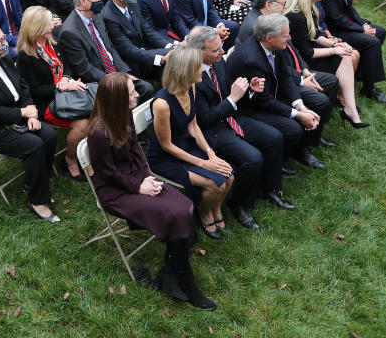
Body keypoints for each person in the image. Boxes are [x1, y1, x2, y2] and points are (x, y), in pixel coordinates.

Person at [86, 72, 214, 309]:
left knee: (185, 206)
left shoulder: (123, 116)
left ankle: (170, 271)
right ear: (117, 99)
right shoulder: (99, 134)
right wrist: (138, 186)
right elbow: (106, 175)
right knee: (176, 215)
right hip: (115, 192)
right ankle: (186, 282)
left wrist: (147, 177)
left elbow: (136, 150)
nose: (137, 93)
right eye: (131, 92)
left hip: (137, 179)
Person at [184, 26, 288, 228]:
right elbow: (205, 119)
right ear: (198, 52)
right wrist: (233, 98)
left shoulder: (217, 61)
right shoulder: (190, 75)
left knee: (274, 137)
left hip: (231, 118)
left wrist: (249, 89)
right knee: (252, 158)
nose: (222, 52)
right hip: (211, 131)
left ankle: (270, 189)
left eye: (221, 48)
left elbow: (228, 89)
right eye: (216, 50)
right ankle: (239, 204)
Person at [0, 21, 59, 220]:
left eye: (4, 38)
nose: (5, 43)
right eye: (0, 40)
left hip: (17, 114)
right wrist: (23, 113)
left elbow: (23, 86)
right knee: (34, 145)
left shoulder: (3, 58)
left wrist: (31, 113)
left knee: (48, 135)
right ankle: (37, 200)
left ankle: (34, 182)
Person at [147, 46, 234, 239]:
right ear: (185, 71)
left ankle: (215, 208)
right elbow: (166, 145)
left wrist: (211, 153)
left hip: (187, 146)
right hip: (166, 158)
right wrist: (204, 163)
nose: (202, 69)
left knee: (229, 176)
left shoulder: (191, 87)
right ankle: (203, 212)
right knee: (216, 184)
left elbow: (193, 126)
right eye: (197, 67)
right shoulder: (162, 104)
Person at [226, 13, 321, 184]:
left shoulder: (274, 47)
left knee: (308, 111)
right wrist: (299, 115)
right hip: (247, 109)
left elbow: (284, 78)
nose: (289, 38)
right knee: (292, 128)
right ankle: (272, 170)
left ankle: (284, 157)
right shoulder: (251, 60)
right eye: (285, 36)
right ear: (269, 37)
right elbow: (264, 101)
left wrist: (302, 108)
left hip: (266, 99)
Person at [14, 6, 89, 179]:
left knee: (96, 111)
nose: (52, 26)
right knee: (82, 123)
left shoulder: (51, 42)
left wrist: (66, 79)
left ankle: (87, 153)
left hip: (64, 91)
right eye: (48, 24)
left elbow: (68, 66)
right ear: (36, 27)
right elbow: (33, 90)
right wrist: (60, 86)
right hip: (45, 101)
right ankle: (70, 161)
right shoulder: (26, 55)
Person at [285, 0, 367, 128]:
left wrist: (335, 45)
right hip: (301, 63)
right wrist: (334, 51)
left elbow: (315, 35)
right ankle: (348, 108)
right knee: (343, 57)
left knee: (347, 55)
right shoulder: (296, 16)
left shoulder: (309, 8)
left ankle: (349, 107)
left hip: (309, 54)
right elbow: (306, 53)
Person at [58, 0, 153, 102]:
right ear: (83, 1)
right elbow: (84, 69)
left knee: (146, 89)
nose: (101, 1)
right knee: (128, 96)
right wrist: (115, 80)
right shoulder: (70, 32)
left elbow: (110, 48)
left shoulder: (97, 16)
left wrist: (124, 73)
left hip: (115, 73)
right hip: (99, 81)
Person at [101, 0, 171, 81]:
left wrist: (169, 46)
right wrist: (160, 58)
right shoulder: (109, 17)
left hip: (146, 52)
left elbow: (147, 31)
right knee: (175, 60)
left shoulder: (132, 3)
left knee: (177, 55)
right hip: (132, 63)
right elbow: (128, 50)